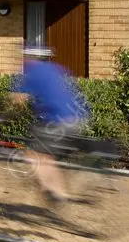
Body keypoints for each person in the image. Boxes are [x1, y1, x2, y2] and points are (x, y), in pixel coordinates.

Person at [11, 45, 89, 201]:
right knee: (47, 155)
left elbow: (18, 100)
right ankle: (61, 192)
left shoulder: (30, 74)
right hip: (78, 117)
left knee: (32, 155)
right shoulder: (57, 69)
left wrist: (8, 114)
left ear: (28, 59)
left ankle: (53, 192)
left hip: (56, 121)